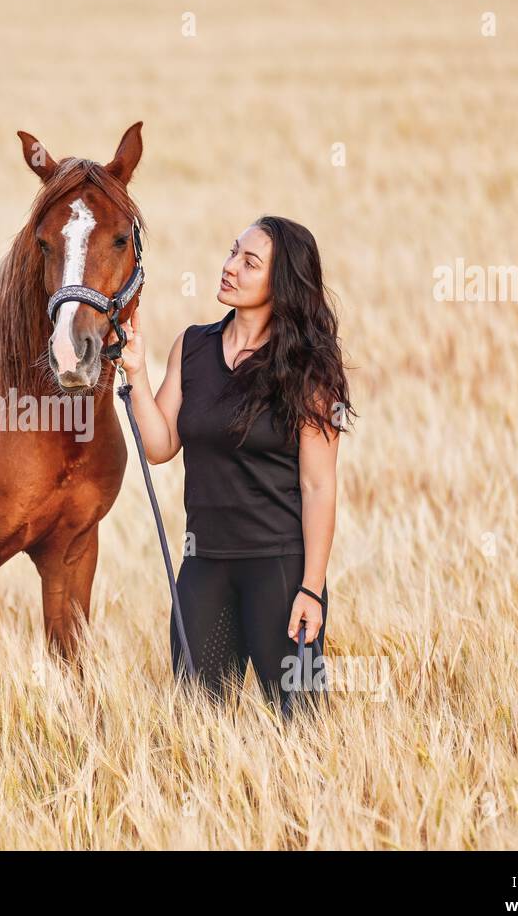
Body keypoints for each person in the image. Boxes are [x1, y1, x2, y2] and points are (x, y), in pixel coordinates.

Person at [119, 216, 354, 712]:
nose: (229, 268)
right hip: (204, 566)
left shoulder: (309, 370)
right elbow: (159, 446)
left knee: (299, 730)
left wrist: (311, 588)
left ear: (282, 282)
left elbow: (318, 487)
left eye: (250, 263)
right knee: (198, 730)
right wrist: (136, 374)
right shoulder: (194, 346)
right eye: (232, 253)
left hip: (281, 568)